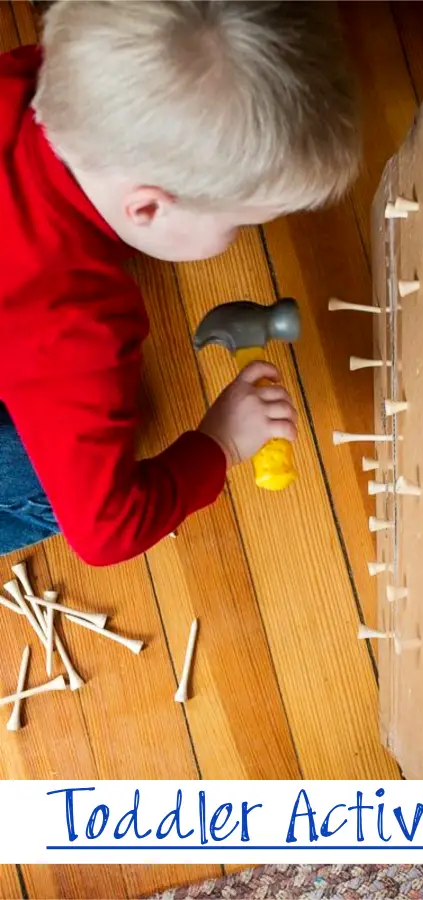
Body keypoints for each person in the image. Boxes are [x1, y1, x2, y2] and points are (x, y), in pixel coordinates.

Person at [0, 1, 360, 565]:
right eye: (240, 222)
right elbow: (106, 533)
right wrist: (218, 445)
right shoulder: (80, 332)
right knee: (39, 477)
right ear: (145, 208)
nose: (242, 234)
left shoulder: (30, 75)